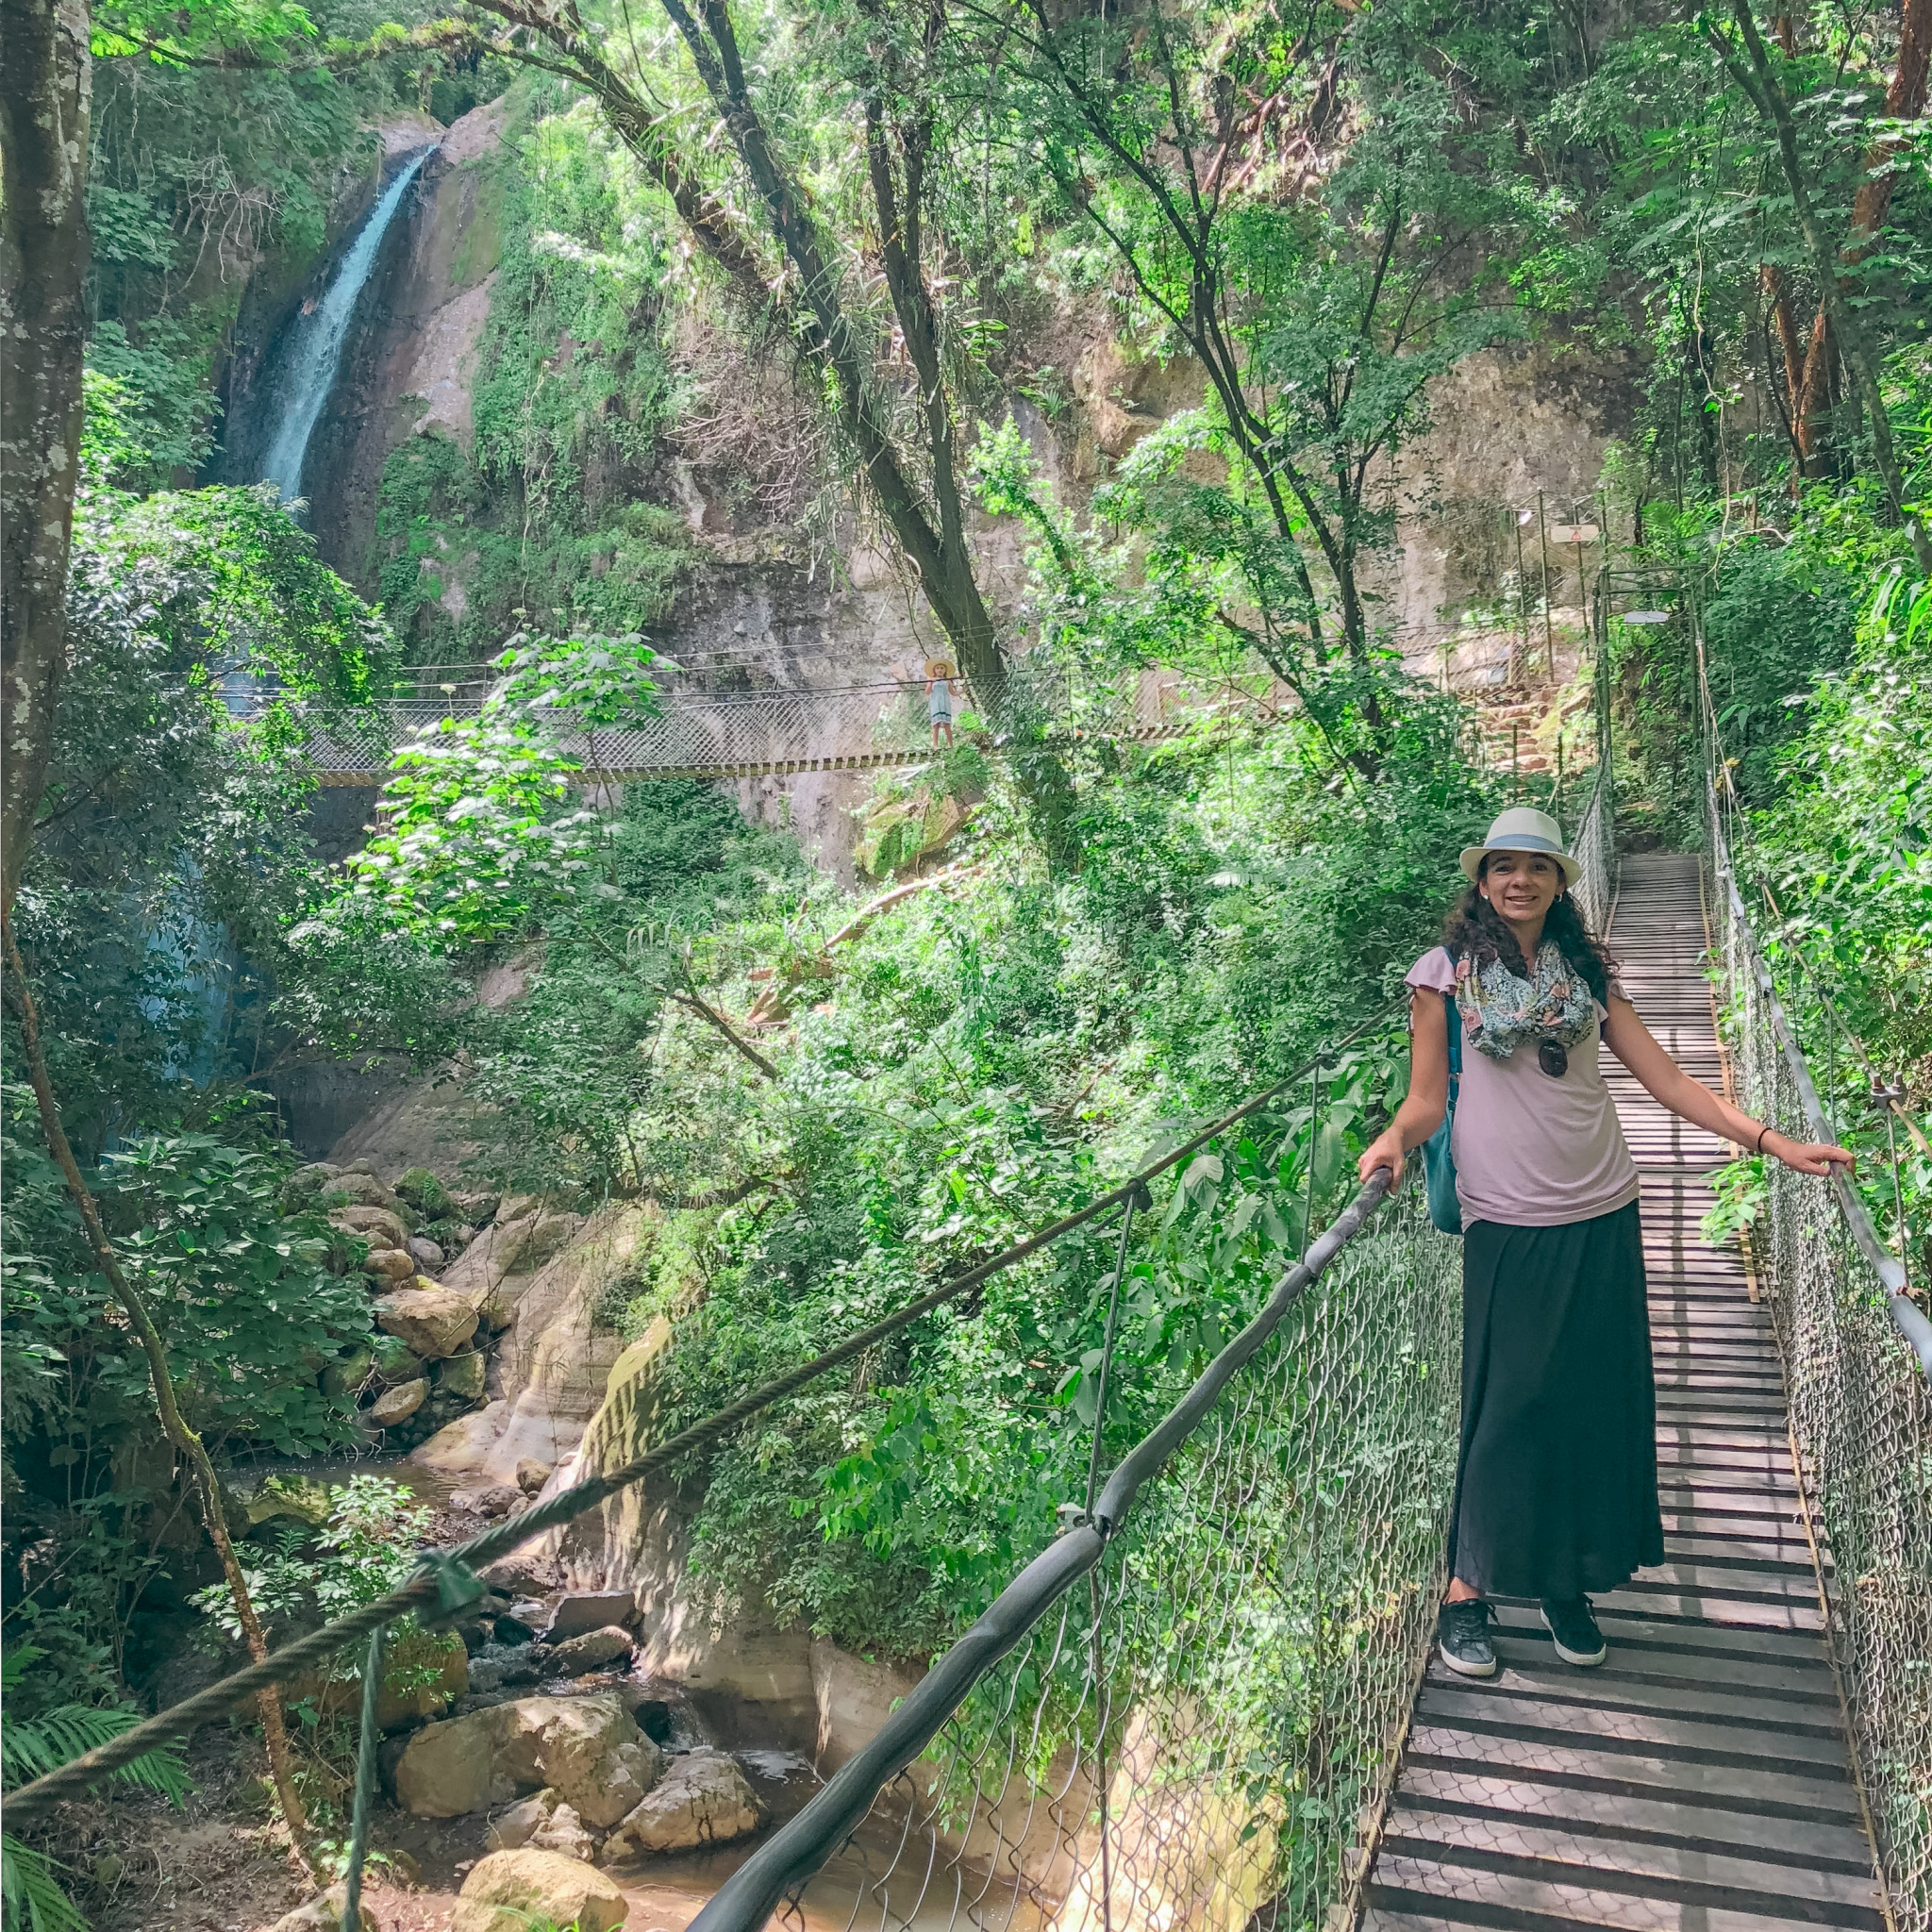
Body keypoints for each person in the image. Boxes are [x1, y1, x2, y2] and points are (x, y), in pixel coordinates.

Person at [1357, 807, 1851, 1678]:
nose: (1519, 881)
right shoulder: (1444, 975)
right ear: (1482, 882)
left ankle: (1564, 1582)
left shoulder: (1585, 971)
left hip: (1603, 1204)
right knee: (1507, 1407)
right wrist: (1396, 1140)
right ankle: (1466, 1590)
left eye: (1537, 868)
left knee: (1589, 1399)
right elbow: (1428, 1097)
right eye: (1503, 867)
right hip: (1507, 1216)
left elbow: (1666, 1080)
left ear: (1557, 882)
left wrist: (1772, 1142)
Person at [925, 658, 959, 746]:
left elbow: (953, 692)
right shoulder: (931, 679)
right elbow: (927, 692)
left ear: (945, 670)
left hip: (945, 703)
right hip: (936, 703)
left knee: (947, 724)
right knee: (936, 725)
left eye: (942, 668)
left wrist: (963, 690)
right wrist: (931, 682)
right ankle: (935, 746)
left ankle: (950, 745)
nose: (940, 670)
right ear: (934, 670)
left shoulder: (947, 680)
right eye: (938, 668)